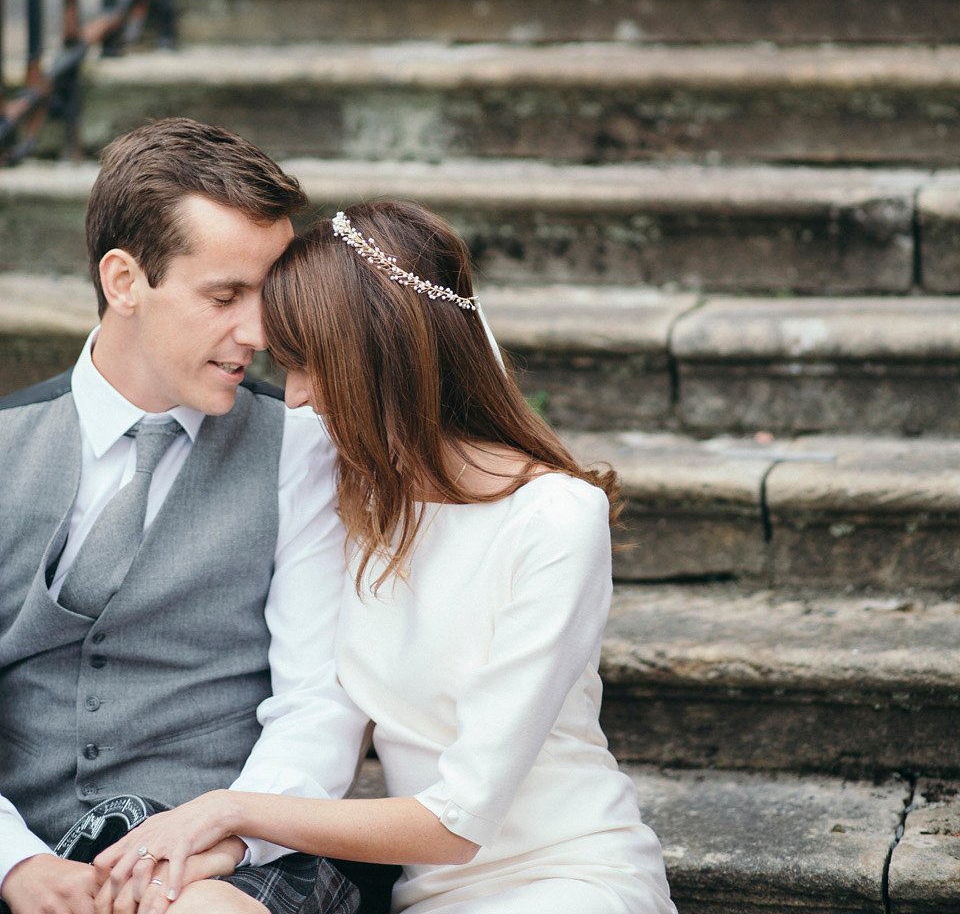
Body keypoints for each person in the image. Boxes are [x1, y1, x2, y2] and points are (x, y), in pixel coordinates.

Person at [97, 200, 677, 914]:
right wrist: (211, 851)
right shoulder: (363, 505)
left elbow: (457, 821)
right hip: (426, 895)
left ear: (382, 359)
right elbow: (316, 704)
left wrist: (232, 810)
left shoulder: (555, 521)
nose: (298, 400)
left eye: (311, 369)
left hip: (566, 880)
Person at [0, 120, 366, 914]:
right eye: (224, 297)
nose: (261, 334)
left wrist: (223, 844)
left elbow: (318, 704)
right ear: (124, 281)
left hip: (228, 864)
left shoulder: (299, 449)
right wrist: (15, 866)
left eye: (268, 296)